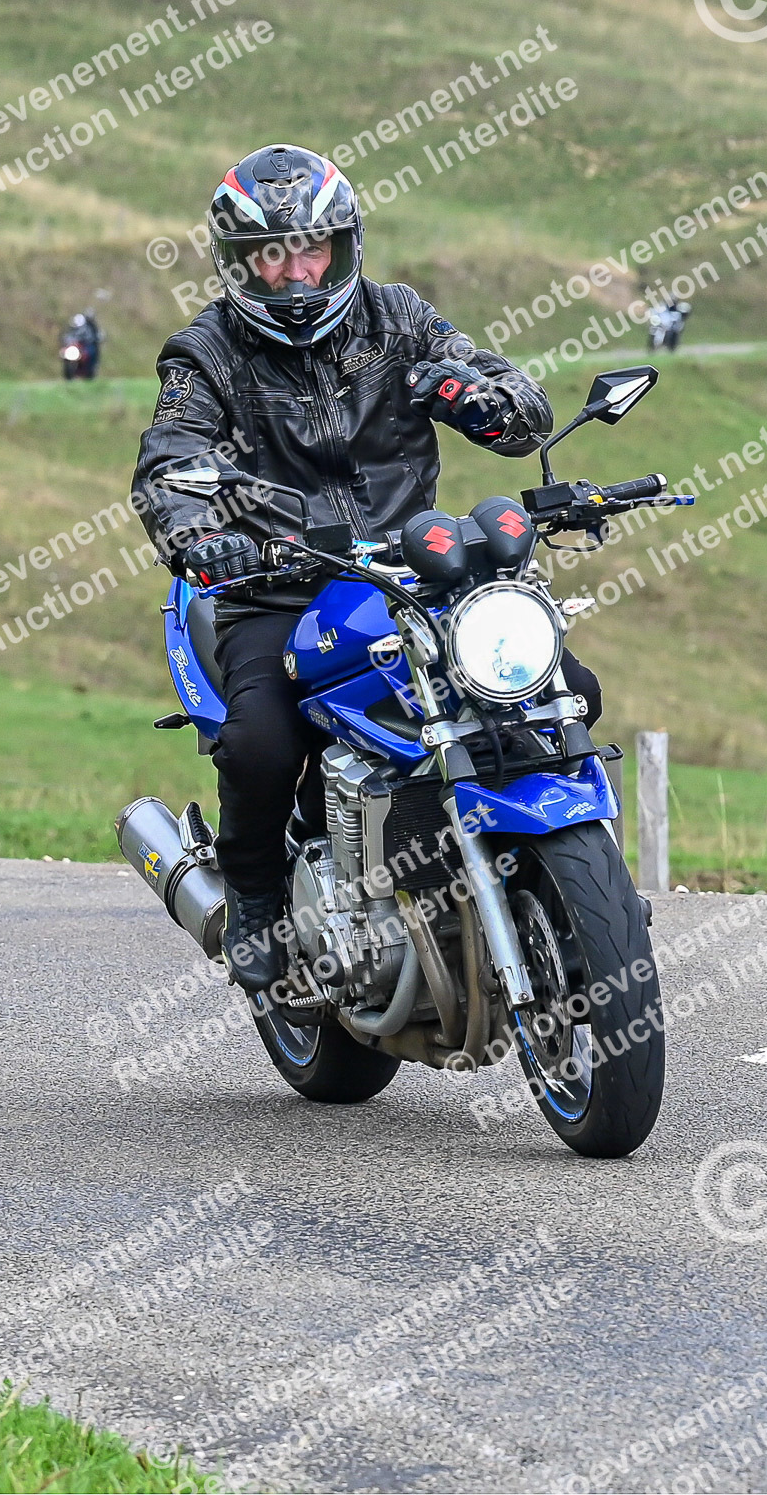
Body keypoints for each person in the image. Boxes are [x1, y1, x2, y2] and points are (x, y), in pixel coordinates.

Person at [132, 143, 603, 991]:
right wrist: (201, 536)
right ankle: (257, 899)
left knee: (566, 688)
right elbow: (169, 465)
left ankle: (557, 883)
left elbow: (521, 408)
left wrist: (476, 398)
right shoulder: (205, 353)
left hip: (414, 574)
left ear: (345, 245)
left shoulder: (400, 318)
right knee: (261, 744)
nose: (298, 274)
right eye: (273, 256)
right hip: (276, 583)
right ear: (238, 262)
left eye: (314, 249)